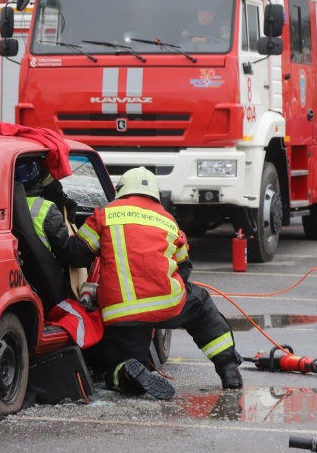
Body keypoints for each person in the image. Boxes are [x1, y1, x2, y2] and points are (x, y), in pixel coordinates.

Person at [65, 166, 242, 400]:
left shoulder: (106, 214)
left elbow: (76, 254)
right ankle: (229, 370)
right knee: (200, 303)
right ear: (156, 194)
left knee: (120, 369)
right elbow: (185, 266)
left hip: (123, 312)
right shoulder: (168, 221)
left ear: (121, 190)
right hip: (167, 302)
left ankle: (130, 374)